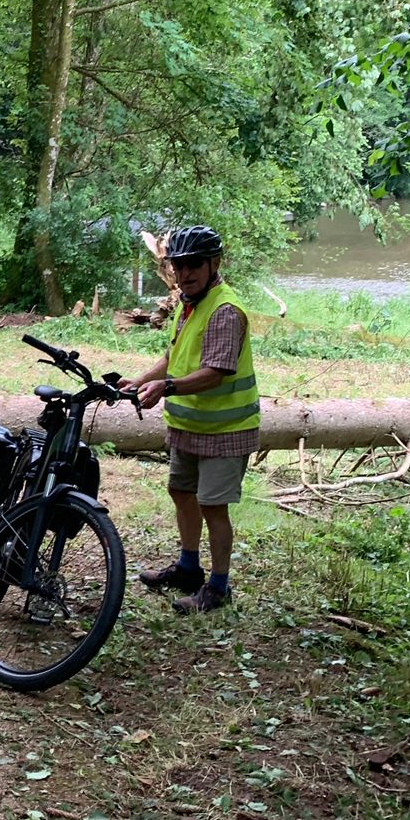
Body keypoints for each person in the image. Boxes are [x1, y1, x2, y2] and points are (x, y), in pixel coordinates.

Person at [124, 223, 260, 613]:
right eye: (178, 265)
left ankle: (218, 588)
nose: (185, 273)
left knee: (213, 506)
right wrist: (139, 381)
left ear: (214, 263)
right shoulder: (188, 304)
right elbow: (174, 356)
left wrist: (166, 388)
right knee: (181, 492)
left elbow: (217, 372)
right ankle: (188, 568)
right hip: (190, 426)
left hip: (225, 429)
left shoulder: (224, 311)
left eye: (194, 265)